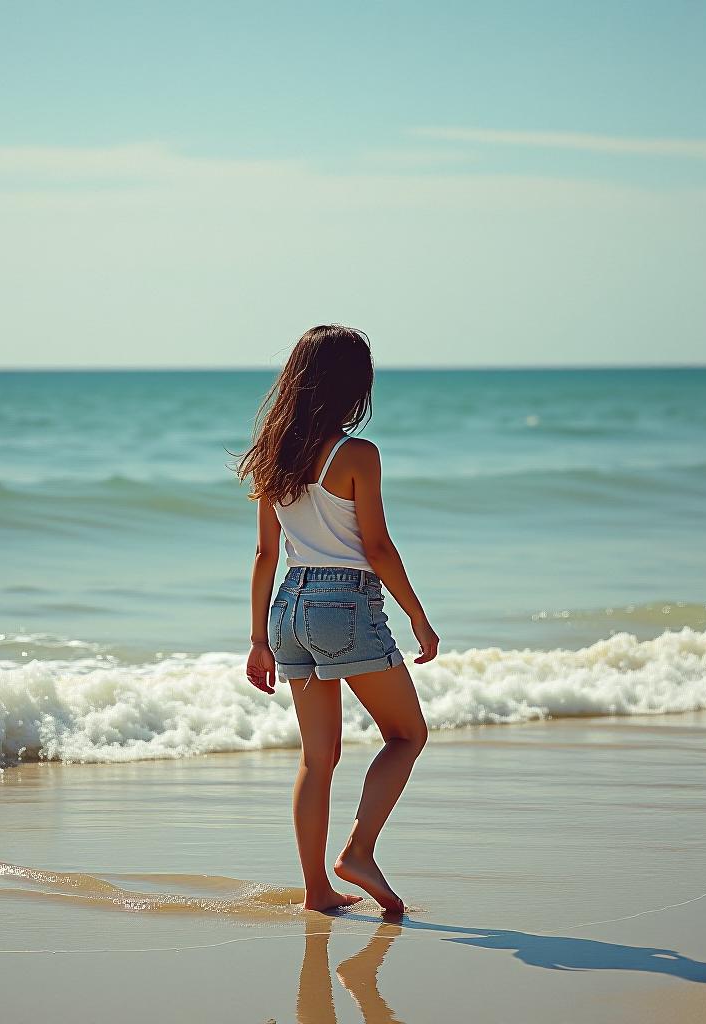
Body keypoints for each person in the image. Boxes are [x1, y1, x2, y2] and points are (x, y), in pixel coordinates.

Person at [238, 324, 438, 915]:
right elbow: (376, 546)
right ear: (354, 386)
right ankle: (358, 852)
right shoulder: (355, 455)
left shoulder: (271, 457)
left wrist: (257, 640)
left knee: (316, 758)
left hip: (288, 611)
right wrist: (419, 618)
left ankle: (317, 892)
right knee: (407, 735)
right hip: (344, 606)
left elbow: (265, 555)